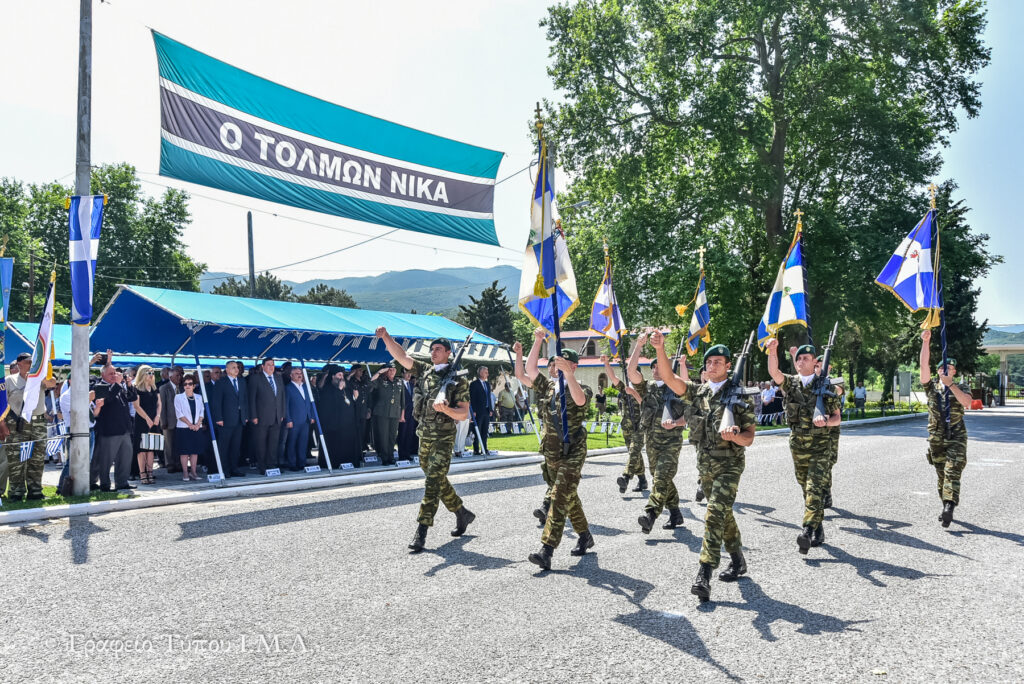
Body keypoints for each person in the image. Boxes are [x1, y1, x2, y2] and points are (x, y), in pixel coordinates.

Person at [656, 333, 755, 602]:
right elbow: (669, 378)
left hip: (730, 466)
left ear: (728, 366)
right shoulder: (697, 392)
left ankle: (704, 574)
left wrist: (735, 436)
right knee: (722, 515)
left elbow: (749, 437)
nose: (712, 366)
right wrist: (660, 348)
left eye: (718, 362)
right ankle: (738, 559)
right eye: (709, 362)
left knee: (712, 516)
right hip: (705, 467)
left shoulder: (740, 397)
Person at [376, 327, 475, 553]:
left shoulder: (459, 380)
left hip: (443, 438)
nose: (433, 352)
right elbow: (402, 356)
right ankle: (461, 512)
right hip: (425, 435)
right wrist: (386, 337)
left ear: (448, 353)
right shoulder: (425, 371)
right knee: (436, 479)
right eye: (432, 349)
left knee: (432, 484)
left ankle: (421, 531)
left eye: (438, 349)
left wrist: (446, 409)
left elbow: (463, 414)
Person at [518, 328, 595, 570]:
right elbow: (530, 370)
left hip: (573, 452)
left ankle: (546, 550)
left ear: (573, 366)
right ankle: (585, 535)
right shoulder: (549, 388)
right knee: (569, 498)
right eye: (554, 364)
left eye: (562, 363)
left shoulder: (582, 387)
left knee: (559, 498)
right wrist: (537, 340)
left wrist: (568, 375)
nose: (556, 367)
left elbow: (580, 401)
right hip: (551, 453)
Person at [766, 339, 841, 554]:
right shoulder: (790, 383)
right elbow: (774, 372)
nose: (800, 361)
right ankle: (818, 526)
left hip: (820, 445)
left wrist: (825, 421)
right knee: (805, 488)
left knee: (814, 487)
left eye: (805, 358)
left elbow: (837, 418)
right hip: (798, 445)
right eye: (798, 358)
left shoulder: (825, 386)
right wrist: (773, 351)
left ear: (815, 362)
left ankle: (807, 530)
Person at [628, 333, 689, 533]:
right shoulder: (648, 388)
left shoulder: (678, 389)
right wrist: (638, 346)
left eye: (659, 366)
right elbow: (631, 373)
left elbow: (690, 414)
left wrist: (676, 423)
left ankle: (651, 514)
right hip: (652, 443)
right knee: (661, 478)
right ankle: (675, 513)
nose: (655, 370)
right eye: (653, 367)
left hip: (671, 443)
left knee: (661, 478)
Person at [919, 329, 972, 527]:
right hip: (936, 437)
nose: (945, 370)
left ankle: (949, 505)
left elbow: (967, 402)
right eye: (942, 368)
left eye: (949, 368)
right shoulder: (931, 387)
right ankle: (945, 505)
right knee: (941, 474)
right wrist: (926, 342)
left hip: (956, 435)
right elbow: (923, 365)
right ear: (938, 372)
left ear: (954, 372)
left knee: (952, 471)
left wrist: (951, 386)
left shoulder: (962, 387)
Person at [4, 352, 53, 500]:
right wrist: (2, 424)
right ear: (19, 364)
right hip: (17, 423)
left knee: (37, 458)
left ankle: (35, 491)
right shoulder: (10, 380)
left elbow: (52, 383)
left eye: (32, 362)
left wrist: (43, 373)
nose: (31, 364)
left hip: (38, 422)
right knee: (16, 458)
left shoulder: (39, 379)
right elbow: (2, 405)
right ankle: (16, 492)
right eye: (28, 362)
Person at [91, 362, 139, 492]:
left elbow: (132, 397)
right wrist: (117, 384)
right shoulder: (99, 386)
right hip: (110, 430)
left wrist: (129, 384)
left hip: (124, 428)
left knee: (125, 457)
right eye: (110, 374)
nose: (114, 376)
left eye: (115, 373)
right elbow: (107, 400)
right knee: (106, 460)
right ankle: (105, 484)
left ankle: (122, 482)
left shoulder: (119, 386)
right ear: (103, 375)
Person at [603, 354, 647, 495]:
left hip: (641, 425)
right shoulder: (624, 388)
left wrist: (633, 393)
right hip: (627, 426)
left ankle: (626, 477)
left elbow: (645, 405)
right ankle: (642, 479)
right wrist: (606, 363)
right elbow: (613, 378)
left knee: (634, 451)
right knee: (634, 453)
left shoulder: (644, 389)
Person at [209, 360, 249, 477]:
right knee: (224, 446)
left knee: (236, 446)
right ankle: (224, 470)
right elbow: (216, 402)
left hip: (239, 419)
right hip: (225, 420)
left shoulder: (242, 381)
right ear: (227, 370)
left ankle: (234, 468)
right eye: (233, 367)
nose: (236, 369)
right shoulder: (221, 383)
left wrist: (246, 416)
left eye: (237, 367)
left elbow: (245, 400)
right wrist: (219, 418)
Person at [248, 358, 287, 475]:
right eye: (269, 365)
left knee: (273, 443)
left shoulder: (278, 378)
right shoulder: (255, 378)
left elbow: (282, 397)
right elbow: (251, 399)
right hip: (261, 417)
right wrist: (253, 416)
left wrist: (282, 413)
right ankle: (262, 466)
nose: (271, 367)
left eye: (273, 365)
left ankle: (272, 465)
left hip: (276, 417)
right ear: (263, 366)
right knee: (261, 444)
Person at [316, 365, 360, 468]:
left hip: (347, 424)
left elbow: (350, 403)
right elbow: (330, 406)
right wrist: (339, 389)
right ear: (333, 376)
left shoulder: (346, 388)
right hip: (334, 426)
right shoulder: (327, 389)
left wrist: (355, 397)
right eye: (339, 375)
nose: (342, 377)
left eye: (342, 375)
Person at [370, 362, 405, 465]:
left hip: (395, 412)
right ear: (386, 371)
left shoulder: (399, 382)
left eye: (394, 369)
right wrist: (380, 372)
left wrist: (402, 415)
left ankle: (391, 456)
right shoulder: (380, 381)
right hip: (382, 412)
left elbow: (402, 400)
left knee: (392, 436)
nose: (392, 371)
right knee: (383, 436)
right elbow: (371, 382)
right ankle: (384, 457)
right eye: (390, 369)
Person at [131, 365, 161, 485]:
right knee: (142, 449)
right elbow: (136, 406)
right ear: (143, 374)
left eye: (152, 373)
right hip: (142, 421)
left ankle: (150, 472)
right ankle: (142, 474)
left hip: (154, 421)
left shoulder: (154, 388)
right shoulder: (136, 388)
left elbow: (159, 404)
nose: (151, 375)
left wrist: (158, 416)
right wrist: (147, 418)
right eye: (149, 373)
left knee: (151, 448)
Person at [174, 375, 206, 481]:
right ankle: (185, 473)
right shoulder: (178, 397)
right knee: (184, 451)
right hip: (183, 428)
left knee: (194, 451)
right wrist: (190, 424)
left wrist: (198, 424)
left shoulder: (199, 397)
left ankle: (193, 472)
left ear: (194, 385)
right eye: (185, 384)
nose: (187, 386)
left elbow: (202, 411)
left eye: (190, 384)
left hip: (197, 427)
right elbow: (179, 413)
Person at [284, 367, 316, 471]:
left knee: (303, 442)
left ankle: (302, 462)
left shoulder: (306, 387)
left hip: (306, 419)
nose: (299, 375)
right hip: (294, 420)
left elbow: (311, 402)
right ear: (291, 375)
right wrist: (288, 419)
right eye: (297, 373)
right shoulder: (288, 388)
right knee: (292, 442)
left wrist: (312, 416)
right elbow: (286, 405)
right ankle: (292, 463)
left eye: (300, 373)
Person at [159, 366, 183, 473]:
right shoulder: (164, 388)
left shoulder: (182, 388)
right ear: (170, 377)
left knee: (179, 443)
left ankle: (178, 463)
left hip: (181, 421)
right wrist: (163, 421)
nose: (179, 377)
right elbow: (162, 406)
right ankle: (170, 464)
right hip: (169, 421)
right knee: (168, 444)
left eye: (180, 375)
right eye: (177, 375)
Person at [469, 366, 495, 456]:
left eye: (487, 372)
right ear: (480, 373)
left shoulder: (487, 384)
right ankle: (476, 449)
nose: (487, 374)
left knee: (484, 431)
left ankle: (484, 448)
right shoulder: (474, 384)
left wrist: (490, 409)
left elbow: (489, 397)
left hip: (486, 410)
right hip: (478, 411)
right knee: (477, 430)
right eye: (485, 372)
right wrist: (473, 411)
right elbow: (472, 398)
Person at [397, 368, 418, 460]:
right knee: (402, 434)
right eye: (407, 373)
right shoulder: (399, 384)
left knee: (409, 434)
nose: (409, 375)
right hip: (402, 414)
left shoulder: (412, 385)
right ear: (402, 374)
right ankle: (401, 455)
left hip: (411, 414)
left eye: (410, 373)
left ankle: (407, 454)